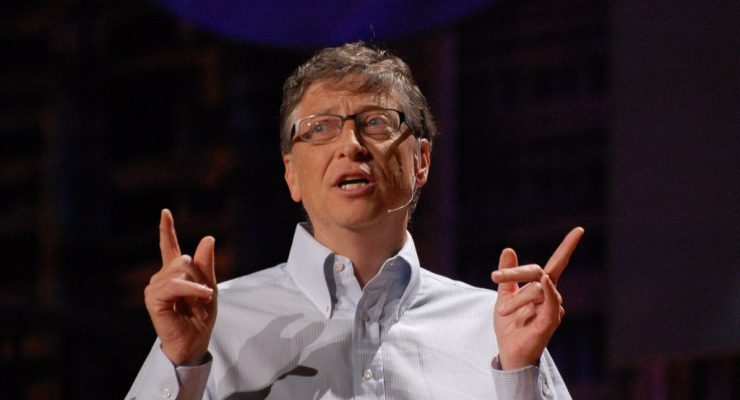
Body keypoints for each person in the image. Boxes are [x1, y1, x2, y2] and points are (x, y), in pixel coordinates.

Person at [126, 42, 584, 400]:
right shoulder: (215, 324)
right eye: (320, 128)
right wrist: (179, 361)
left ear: (422, 161)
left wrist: (519, 375)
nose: (351, 145)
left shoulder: (494, 328)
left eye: (377, 122)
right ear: (291, 174)